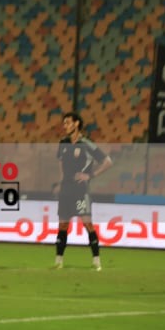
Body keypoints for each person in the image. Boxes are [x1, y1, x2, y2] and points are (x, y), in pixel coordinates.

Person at [54, 111, 112, 271]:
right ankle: (58, 261)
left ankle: (96, 261)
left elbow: (107, 161)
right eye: (64, 123)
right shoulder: (63, 143)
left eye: (67, 122)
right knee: (63, 225)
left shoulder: (86, 144)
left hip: (80, 191)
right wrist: (60, 182)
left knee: (87, 223)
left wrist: (90, 175)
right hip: (65, 190)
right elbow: (61, 164)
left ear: (76, 124)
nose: (65, 126)